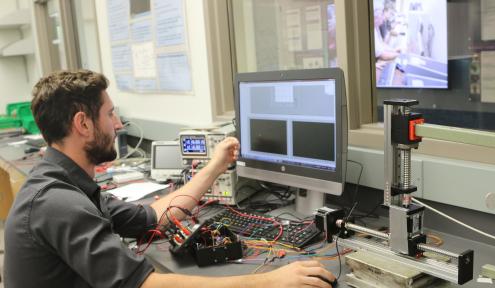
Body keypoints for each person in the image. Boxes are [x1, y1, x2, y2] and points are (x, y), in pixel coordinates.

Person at [4, 70, 336, 288]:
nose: (118, 124)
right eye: (110, 114)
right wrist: (270, 281)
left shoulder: (66, 184)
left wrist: (215, 167)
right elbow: (144, 285)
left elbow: (151, 217)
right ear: (83, 124)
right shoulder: (58, 203)